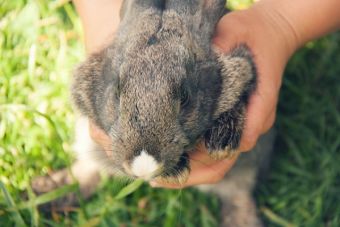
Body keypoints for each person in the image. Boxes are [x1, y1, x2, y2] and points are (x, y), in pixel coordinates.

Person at [73, 0, 340, 188]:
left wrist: (279, 24)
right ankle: (87, 170)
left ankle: (237, 198)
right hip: (131, 30)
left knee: (247, 128)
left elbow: (240, 71)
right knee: (93, 135)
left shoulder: (214, 69)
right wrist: (108, 31)